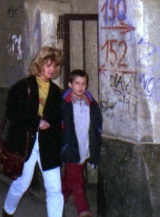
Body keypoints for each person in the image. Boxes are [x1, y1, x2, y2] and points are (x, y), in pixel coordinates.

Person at [2, 46, 64, 217]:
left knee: (55, 189)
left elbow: (58, 121)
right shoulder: (23, 86)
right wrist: (37, 122)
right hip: (26, 143)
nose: (52, 69)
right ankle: (7, 212)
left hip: (48, 146)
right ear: (39, 64)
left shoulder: (56, 91)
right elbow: (12, 112)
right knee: (22, 184)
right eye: (48, 65)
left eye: (54, 66)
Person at [60, 69, 103, 217]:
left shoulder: (90, 103)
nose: (80, 87)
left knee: (69, 179)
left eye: (83, 84)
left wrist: (98, 137)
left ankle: (58, 202)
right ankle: (83, 209)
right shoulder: (64, 103)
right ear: (70, 84)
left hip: (85, 146)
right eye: (77, 83)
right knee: (77, 179)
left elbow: (97, 123)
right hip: (70, 146)